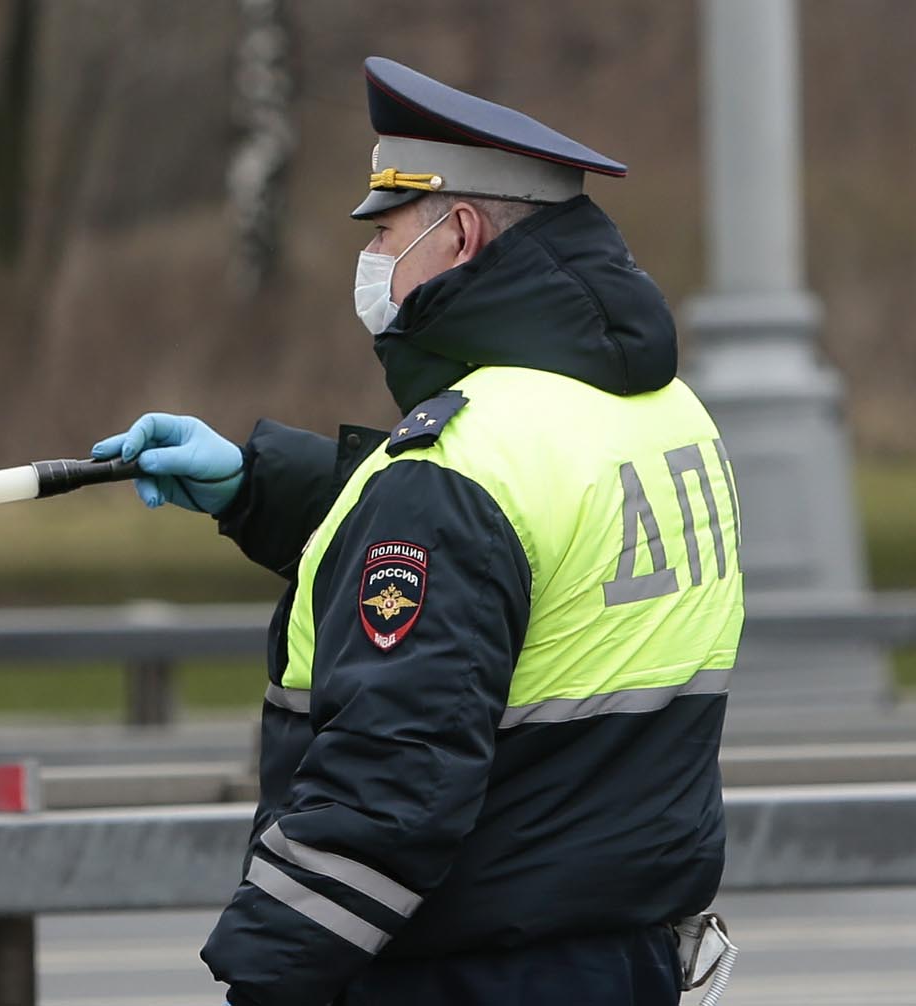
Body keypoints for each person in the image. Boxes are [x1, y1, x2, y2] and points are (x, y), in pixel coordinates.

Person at [92, 57, 744, 1006]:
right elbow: (527, 573)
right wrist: (256, 488)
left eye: (389, 230)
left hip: (474, 972)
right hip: (625, 953)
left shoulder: (455, 468)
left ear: (462, 232)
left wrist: (265, 977)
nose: (373, 259)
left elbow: (390, 783)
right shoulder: (661, 410)